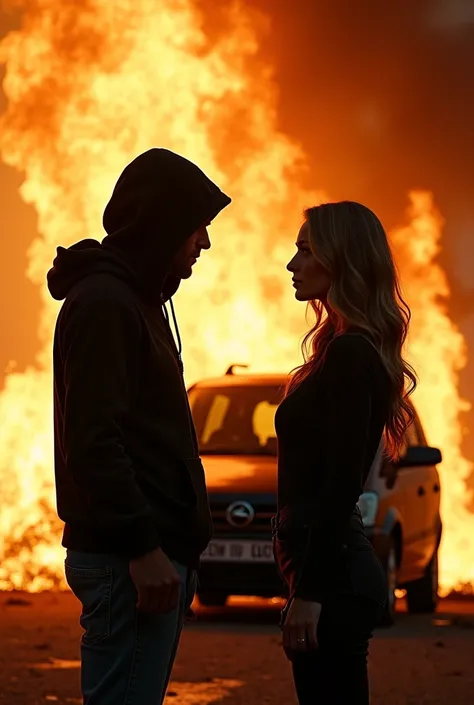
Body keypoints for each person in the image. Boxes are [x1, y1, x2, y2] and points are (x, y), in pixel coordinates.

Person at [47, 148, 231, 705]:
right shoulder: (106, 304)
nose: (204, 242)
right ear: (163, 223)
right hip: (127, 564)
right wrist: (143, 548)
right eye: (196, 226)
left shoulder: (136, 300)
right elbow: (95, 442)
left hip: (141, 561)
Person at [272, 201, 416, 705]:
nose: (293, 264)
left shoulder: (352, 353)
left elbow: (340, 485)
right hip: (326, 573)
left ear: (343, 260)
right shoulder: (338, 348)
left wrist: (310, 594)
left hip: (333, 580)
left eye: (305, 251)